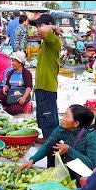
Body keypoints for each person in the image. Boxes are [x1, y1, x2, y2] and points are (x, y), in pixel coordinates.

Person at [17, 104, 96, 187]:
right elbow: (48, 144)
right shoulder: (62, 129)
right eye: (64, 114)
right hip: (71, 159)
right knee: (52, 146)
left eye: (66, 116)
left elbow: (92, 164)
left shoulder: (90, 136)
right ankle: (51, 172)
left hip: (86, 169)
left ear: (76, 123)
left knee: (70, 159)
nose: (63, 118)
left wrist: (69, 149)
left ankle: (71, 180)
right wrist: (33, 160)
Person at [29, 13, 62, 144]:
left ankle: (50, 139)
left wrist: (53, 27)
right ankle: (47, 136)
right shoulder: (44, 44)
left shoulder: (53, 41)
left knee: (48, 113)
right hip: (42, 85)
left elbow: (45, 30)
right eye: (36, 27)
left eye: (40, 26)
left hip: (48, 85)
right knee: (43, 112)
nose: (38, 29)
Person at [0, 50, 33, 115]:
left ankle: (6, 109)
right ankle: (7, 106)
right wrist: (5, 87)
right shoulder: (11, 72)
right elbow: (7, 84)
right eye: (12, 61)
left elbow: (29, 87)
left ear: (20, 63)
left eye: (14, 61)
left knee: (15, 109)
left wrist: (23, 98)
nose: (12, 63)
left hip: (21, 94)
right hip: (11, 93)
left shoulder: (26, 73)